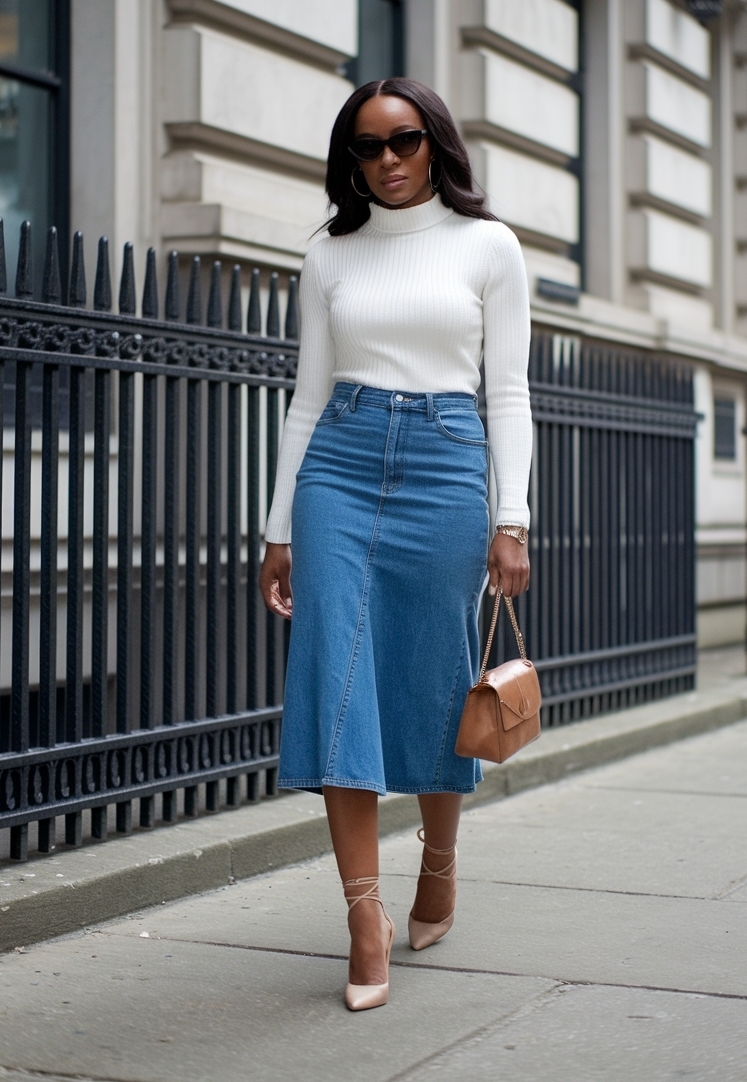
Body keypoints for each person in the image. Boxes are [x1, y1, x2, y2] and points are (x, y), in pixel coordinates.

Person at [259, 77, 532, 1011]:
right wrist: (279, 527)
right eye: (368, 149)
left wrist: (513, 517)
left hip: (449, 465)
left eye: (404, 141)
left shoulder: (487, 245)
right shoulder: (329, 254)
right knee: (337, 674)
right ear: (350, 163)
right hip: (339, 462)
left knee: (429, 675)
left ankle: (441, 864)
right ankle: (363, 917)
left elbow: (509, 393)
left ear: (435, 143)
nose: (388, 161)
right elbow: (306, 395)